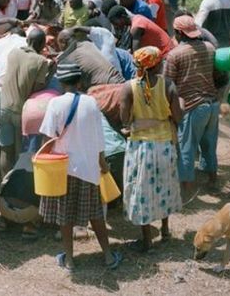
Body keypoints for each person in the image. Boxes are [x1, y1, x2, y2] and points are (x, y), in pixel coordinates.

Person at [38, 62, 121, 271]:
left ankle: (70, 260)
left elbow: (47, 139)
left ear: (60, 82)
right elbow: (99, 138)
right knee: (95, 215)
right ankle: (109, 256)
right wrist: (103, 164)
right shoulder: (91, 103)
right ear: (80, 81)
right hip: (88, 169)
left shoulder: (55, 104)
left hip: (62, 169)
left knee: (65, 217)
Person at [120, 47, 182, 252]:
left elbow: (124, 118)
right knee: (165, 185)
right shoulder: (169, 86)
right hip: (164, 144)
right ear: (156, 64)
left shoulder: (128, 88)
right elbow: (178, 117)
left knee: (141, 191)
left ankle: (147, 240)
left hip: (140, 146)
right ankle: (165, 229)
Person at [164, 15, 219, 198]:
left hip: (192, 106)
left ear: (179, 33)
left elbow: (168, 85)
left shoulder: (175, 55)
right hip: (212, 104)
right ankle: (212, 180)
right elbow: (218, 75)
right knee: (209, 145)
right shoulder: (210, 48)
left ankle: (187, 188)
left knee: (186, 147)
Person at [0, 28, 53, 175]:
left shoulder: (13, 53)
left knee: (5, 150)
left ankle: (5, 186)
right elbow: (37, 89)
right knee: (19, 153)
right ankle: (17, 186)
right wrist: (51, 72)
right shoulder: (41, 61)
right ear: (42, 44)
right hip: (20, 111)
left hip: (2, 108)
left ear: (27, 40)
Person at [108, 5, 175, 56]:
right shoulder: (137, 18)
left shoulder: (136, 27)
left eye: (115, 23)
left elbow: (136, 54)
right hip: (166, 50)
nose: (116, 26)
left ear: (123, 17)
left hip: (166, 53)